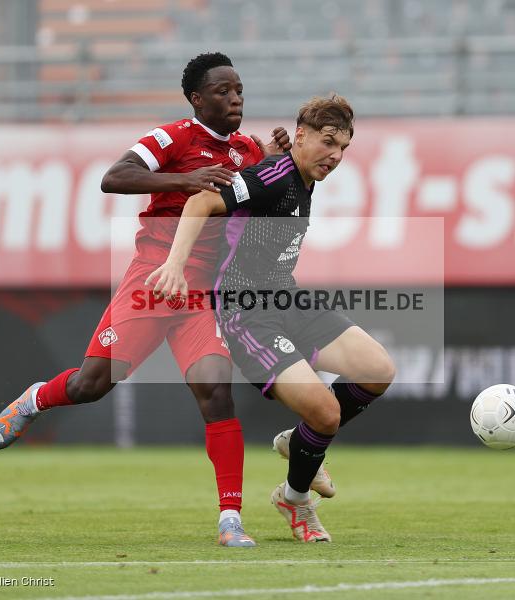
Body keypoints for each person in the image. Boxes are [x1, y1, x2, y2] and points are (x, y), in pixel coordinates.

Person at [0, 52, 291, 548]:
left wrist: (275, 157)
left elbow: (266, 195)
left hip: (201, 294)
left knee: (217, 393)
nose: (235, 98)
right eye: (223, 91)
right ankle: (36, 398)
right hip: (153, 281)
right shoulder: (173, 138)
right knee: (91, 385)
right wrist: (182, 180)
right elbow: (114, 177)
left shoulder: (245, 150)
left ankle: (230, 519)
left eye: (239, 89)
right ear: (197, 99)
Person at [147, 94, 396, 542]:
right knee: (325, 414)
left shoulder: (305, 177)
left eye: (343, 147)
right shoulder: (275, 175)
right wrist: (175, 265)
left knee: (378, 368)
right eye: (327, 142)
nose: (335, 155)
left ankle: (300, 443)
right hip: (246, 311)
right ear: (301, 135)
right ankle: (295, 499)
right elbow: (201, 202)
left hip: (286, 298)